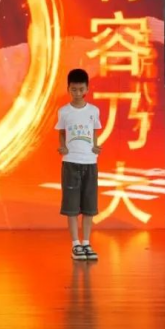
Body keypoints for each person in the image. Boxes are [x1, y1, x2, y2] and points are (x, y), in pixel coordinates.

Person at [56, 68, 102, 261]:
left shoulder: (93, 111)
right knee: (72, 205)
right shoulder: (64, 111)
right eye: (73, 89)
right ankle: (75, 244)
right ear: (68, 89)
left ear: (87, 89)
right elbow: (61, 132)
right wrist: (62, 147)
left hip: (90, 162)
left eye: (81, 89)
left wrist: (96, 146)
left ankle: (86, 242)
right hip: (70, 163)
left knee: (89, 205)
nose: (77, 93)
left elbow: (95, 131)